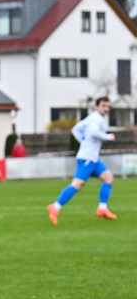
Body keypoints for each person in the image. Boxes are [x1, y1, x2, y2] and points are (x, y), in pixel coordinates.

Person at [47, 96, 117, 224]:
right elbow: (94, 132)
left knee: (108, 178)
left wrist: (84, 142)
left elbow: (75, 129)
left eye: (108, 106)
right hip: (87, 159)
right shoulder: (97, 118)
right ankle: (55, 207)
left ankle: (102, 208)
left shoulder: (90, 118)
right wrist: (108, 136)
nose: (106, 109)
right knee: (77, 184)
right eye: (103, 106)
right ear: (97, 106)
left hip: (92, 158)